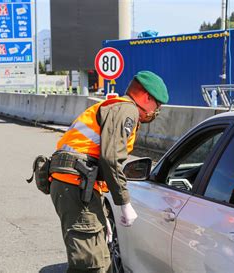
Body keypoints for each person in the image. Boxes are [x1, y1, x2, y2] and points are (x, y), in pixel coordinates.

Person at [48, 71, 169, 272]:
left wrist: (102, 214)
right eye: (157, 106)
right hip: (75, 184)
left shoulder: (115, 107)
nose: (155, 112)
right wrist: (124, 203)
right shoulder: (126, 110)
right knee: (91, 264)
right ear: (147, 97)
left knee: (99, 259)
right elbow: (110, 159)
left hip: (75, 183)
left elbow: (101, 161)